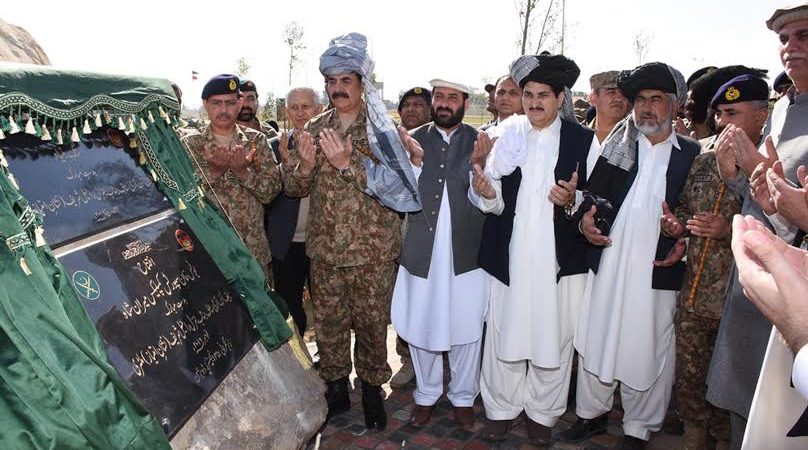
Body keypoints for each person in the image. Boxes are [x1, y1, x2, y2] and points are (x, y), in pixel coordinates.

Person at [283, 32, 420, 431]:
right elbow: (293, 189)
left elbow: (401, 192)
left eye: (346, 80)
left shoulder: (383, 133)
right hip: (325, 251)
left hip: (372, 251)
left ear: (362, 83)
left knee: (373, 323)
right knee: (329, 324)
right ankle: (338, 386)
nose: (338, 88)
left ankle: (373, 389)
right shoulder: (313, 129)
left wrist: (349, 166)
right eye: (332, 81)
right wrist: (305, 168)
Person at [562, 62, 700, 450]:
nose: (646, 108)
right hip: (607, 264)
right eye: (640, 100)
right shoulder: (618, 147)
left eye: (656, 100)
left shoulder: (691, 155)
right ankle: (592, 414)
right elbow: (590, 199)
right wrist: (585, 222)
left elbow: (697, 211)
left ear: (675, 106)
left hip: (655, 271)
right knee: (596, 334)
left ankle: (639, 425)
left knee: (649, 344)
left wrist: (681, 230)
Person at [471, 52, 599, 446]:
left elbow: (597, 203)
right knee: (503, 334)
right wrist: (488, 192)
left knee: (554, 336)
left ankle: (542, 413)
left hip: (557, 261)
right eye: (528, 94)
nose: (534, 103)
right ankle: (501, 409)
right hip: (509, 254)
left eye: (544, 95)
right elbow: (486, 195)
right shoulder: (507, 135)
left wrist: (573, 201)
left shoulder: (584, 141)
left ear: (561, 98)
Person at [707, 4, 808, 447]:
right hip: (753, 282)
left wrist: (782, 201)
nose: (791, 48)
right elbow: (762, 197)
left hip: (796, 294)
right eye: (784, 40)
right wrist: (740, 178)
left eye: (804, 36)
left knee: (782, 418)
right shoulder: (784, 108)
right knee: (746, 411)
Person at [660, 73, 769, 450]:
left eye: (734, 113)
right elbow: (686, 208)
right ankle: (694, 436)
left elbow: (782, 228)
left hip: (738, 302)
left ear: (761, 115)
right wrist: (676, 225)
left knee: (731, 383)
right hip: (694, 293)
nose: (724, 122)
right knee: (689, 377)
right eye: (720, 113)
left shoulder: (770, 166)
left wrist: (728, 229)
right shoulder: (704, 160)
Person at [391, 78, 487, 430]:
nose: (445, 103)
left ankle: (463, 397)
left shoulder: (482, 142)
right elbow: (397, 194)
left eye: (453, 97)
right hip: (421, 250)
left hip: (466, 253)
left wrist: (482, 174)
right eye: (440, 97)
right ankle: (427, 394)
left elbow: (492, 199)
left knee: (466, 326)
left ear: (465, 101)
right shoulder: (413, 139)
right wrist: (415, 162)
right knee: (422, 324)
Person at [181, 74, 281, 271]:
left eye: (230, 103)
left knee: (260, 302)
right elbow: (182, 196)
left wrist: (244, 173)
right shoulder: (190, 144)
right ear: (205, 104)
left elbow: (271, 193)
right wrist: (214, 173)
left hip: (252, 252)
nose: (224, 110)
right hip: (210, 250)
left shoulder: (257, 141)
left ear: (239, 103)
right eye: (217, 103)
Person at [265, 87, 323, 336]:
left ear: (319, 109)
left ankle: (329, 359)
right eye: (294, 107)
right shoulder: (273, 146)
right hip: (285, 243)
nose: (300, 113)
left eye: (306, 106)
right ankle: (300, 361)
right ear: (286, 111)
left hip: (322, 241)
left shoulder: (330, 143)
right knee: (289, 305)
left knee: (326, 306)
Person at [389, 85, 433, 390]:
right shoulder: (388, 141)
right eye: (407, 104)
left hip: (426, 233)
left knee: (428, 298)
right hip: (392, 232)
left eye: (419, 104)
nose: (412, 109)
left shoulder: (437, 142)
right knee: (402, 299)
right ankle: (406, 358)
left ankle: (432, 355)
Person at [586, 70, 630, 144]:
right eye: (611, 92)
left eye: (623, 93)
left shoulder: (636, 137)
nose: (619, 98)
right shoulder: (577, 136)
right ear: (593, 98)